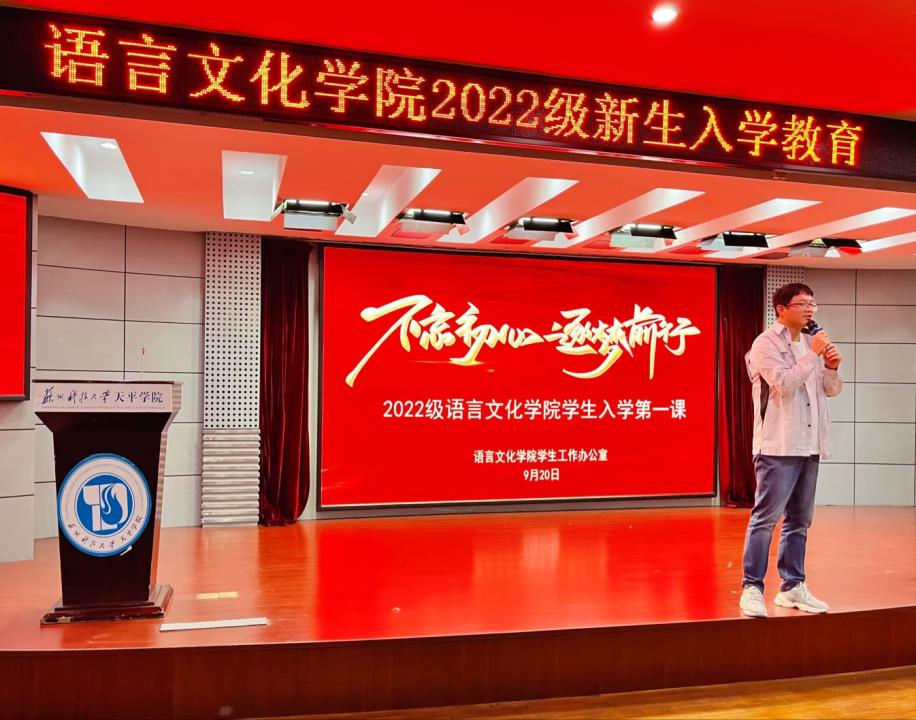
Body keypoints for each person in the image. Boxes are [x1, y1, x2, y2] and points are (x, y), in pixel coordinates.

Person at [739, 282, 843, 618]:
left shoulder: (812, 343)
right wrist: (814, 355)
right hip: (778, 444)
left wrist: (831, 366)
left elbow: (830, 391)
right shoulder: (765, 344)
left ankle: (792, 586)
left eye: (813, 303)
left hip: (809, 443)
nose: (810, 309)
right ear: (781, 310)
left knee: (799, 520)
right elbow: (783, 384)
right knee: (765, 519)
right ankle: (752, 587)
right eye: (802, 304)